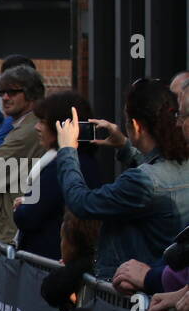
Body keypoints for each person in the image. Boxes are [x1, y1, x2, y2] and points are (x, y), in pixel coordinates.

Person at [56, 78, 189, 279]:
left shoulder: (140, 182)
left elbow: (81, 203)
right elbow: (160, 173)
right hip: (167, 283)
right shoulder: (181, 163)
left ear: (135, 125)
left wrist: (67, 150)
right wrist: (125, 145)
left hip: (137, 291)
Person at [12, 91, 101, 260]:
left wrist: (22, 208)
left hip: (49, 260)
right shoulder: (85, 161)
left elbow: (29, 216)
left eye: (43, 122)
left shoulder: (59, 167)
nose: (37, 127)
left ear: (61, 127)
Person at [0, 64, 46, 244]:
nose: (5, 97)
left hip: (9, 233)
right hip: (6, 229)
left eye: (12, 92)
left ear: (30, 93)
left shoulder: (27, 132)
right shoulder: (18, 125)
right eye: (1, 92)